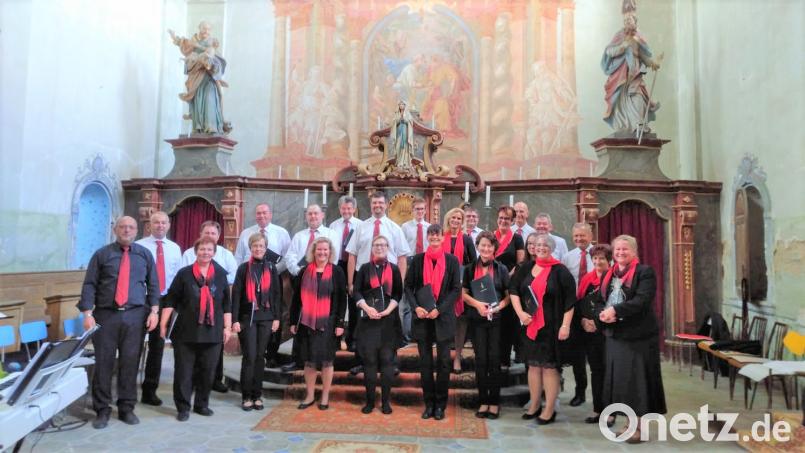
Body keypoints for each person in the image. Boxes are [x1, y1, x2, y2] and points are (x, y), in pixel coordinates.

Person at [79, 216, 160, 429]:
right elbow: (89, 285)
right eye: (122, 227)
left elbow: (153, 285)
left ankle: (126, 407)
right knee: (104, 363)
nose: (126, 230)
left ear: (137, 231)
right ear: (115, 230)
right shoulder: (102, 254)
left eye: (131, 227)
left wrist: (154, 311)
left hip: (135, 316)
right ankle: (102, 409)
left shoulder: (144, 255)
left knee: (130, 363)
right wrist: (87, 314)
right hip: (106, 316)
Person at [598, 235, 666, 443]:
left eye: (624, 249)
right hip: (616, 337)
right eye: (617, 249)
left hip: (639, 337)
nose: (620, 253)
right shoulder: (609, 274)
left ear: (634, 251)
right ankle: (629, 424)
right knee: (623, 383)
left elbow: (642, 301)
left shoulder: (645, 272)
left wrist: (615, 311)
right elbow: (604, 300)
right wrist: (602, 314)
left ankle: (640, 429)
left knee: (639, 384)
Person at [160, 237, 232, 421]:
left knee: (207, 371)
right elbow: (171, 300)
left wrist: (228, 327)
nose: (205, 252)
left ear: (214, 253)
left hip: (213, 331)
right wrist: (163, 324)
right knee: (184, 371)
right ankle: (183, 407)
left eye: (209, 249)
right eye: (202, 249)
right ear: (196, 251)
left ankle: (202, 404)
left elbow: (226, 304)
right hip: (186, 331)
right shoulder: (184, 274)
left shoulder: (221, 274)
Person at [509, 234, 575, 425]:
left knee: (549, 368)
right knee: (533, 367)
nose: (541, 247)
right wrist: (520, 313)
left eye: (545, 245)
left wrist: (565, 325)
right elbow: (513, 290)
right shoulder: (527, 267)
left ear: (552, 247)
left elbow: (570, 301)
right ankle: (534, 405)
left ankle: (548, 410)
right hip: (530, 327)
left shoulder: (560, 271)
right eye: (537, 245)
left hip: (552, 328)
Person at [346, 191, 410, 365]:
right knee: (362, 322)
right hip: (364, 278)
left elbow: (402, 257)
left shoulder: (395, 228)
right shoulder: (360, 227)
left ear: (387, 204)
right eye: (374, 203)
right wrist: (351, 282)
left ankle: (389, 363)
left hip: (387, 280)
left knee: (389, 322)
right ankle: (361, 362)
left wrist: (400, 284)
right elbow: (352, 255)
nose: (377, 206)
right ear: (370, 204)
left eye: (380, 203)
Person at [404, 224, 461, 421]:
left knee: (444, 363)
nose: (434, 237)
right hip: (422, 318)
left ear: (442, 238)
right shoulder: (418, 260)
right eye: (431, 234)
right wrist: (415, 308)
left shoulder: (452, 261)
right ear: (428, 237)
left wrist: (440, 309)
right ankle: (428, 404)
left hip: (442, 318)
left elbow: (456, 289)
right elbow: (408, 287)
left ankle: (440, 405)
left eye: (437, 234)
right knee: (425, 364)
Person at [290, 237, 347, 410]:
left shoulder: (337, 272)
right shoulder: (304, 271)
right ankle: (309, 395)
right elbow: (296, 299)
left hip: (328, 323)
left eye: (325, 250)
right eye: (319, 250)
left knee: (327, 361)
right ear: (313, 252)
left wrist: (339, 324)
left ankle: (325, 396)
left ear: (330, 252)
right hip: (307, 323)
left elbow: (341, 300)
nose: (322, 253)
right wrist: (293, 321)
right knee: (309, 361)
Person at [181, 220, 237, 392]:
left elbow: (232, 278)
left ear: (218, 236)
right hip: (194, 307)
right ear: (201, 234)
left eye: (213, 233)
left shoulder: (226, 255)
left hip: (216, 306)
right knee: (195, 345)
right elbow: (183, 276)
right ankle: (194, 379)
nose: (210, 236)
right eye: (207, 233)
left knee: (215, 345)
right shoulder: (190, 253)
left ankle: (215, 379)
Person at [136, 211, 183, 407]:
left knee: (158, 346)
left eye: (164, 222)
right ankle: (128, 389)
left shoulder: (174, 248)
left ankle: (149, 390)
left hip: (166, 301)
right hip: (143, 300)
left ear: (169, 225)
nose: (160, 226)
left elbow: (177, 276)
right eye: (156, 222)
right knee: (135, 345)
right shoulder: (138, 246)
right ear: (149, 225)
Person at [231, 233, 282, 411]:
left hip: (267, 318)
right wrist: (235, 319)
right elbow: (236, 295)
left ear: (265, 248)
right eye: (255, 246)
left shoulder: (271, 267)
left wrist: (277, 318)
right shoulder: (244, 268)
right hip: (248, 318)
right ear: (250, 248)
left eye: (261, 246)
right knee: (250, 356)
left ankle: (257, 395)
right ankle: (246, 396)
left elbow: (276, 294)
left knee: (260, 357)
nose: (258, 249)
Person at [353, 235, 403, 414]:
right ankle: (369, 402)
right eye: (376, 245)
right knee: (370, 363)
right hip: (368, 322)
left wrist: (389, 310)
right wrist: (366, 308)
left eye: (383, 245)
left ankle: (386, 402)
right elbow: (356, 292)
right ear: (372, 248)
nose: (379, 247)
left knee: (387, 362)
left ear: (388, 247)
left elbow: (398, 293)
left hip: (388, 322)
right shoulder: (364, 269)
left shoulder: (395, 269)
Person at [462, 231, 510, 419]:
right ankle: (483, 401)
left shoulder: (501, 269)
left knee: (494, 360)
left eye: (489, 246)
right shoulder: (469, 268)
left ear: (494, 248)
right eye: (483, 245)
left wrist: (498, 307)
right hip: (477, 320)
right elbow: (463, 294)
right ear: (477, 246)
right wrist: (477, 305)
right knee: (481, 360)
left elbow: (508, 296)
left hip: (497, 321)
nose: (486, 249)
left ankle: (494, 402)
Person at [601, 12, 661, 133]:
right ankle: (623, 124)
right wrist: (623, 45)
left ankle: (638, 124)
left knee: (638, 96)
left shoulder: (638, 38)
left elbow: (642, 55)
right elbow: (609, 52)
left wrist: (652, 63)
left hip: (635, 74)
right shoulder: (620, 36)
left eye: (629, 20)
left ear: (635, 22)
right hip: (621, 75)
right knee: (620, 100)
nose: (627, 22)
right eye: (625, 21)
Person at [169, 22, 231, 135]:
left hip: (209, 78)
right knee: (198, 100)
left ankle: (211, 126)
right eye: (204, 29)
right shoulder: (193, 41)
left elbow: (217, 60)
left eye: (208, 29)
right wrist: (174, 37)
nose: (206, 31)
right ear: (199, 28)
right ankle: (198, 127)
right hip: (196, 77)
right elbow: (183, 43)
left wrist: (211, 65)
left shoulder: (212, 43)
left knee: (210, 99)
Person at [577, 244, 613, 426]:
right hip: (589, 332)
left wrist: (597, 323)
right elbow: (580, 302)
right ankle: (597, 408)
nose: (598, 262)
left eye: (602, 259)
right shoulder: (587, 279)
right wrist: (584, 320)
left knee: (609, 372)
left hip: (608, 333)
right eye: (595, 259)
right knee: (596, 371)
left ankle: (611, 412)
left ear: (609, 261)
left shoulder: (614, 280)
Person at [561, 223, 595, 408]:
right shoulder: (568, 257)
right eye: (576, 236)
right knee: (577, 355)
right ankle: (580, 392)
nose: (579, 239)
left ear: (590, 235)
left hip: (594, 310)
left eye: (582, 235)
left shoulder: (599, 255)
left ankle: (601, 396)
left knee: (596, 356)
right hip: (575, 310)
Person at [442, 207, 476, 374]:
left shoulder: (467, 239)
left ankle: (457, 358)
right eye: (453, 217)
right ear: (448, 219)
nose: (455, 221)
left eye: (458, 219)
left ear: (462, 222)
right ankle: (445, 356)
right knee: (445, 321)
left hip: (461, 285)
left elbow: (473, 263)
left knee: (460, 322)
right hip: (443, 285)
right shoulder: (441, 237)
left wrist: (463, 277)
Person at [493, 206, 525, 370]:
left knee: (508, 322)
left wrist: (507, 276)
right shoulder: (492, 236)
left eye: (507, 218)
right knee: (494, 322)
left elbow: (520, 262)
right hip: (494, 284)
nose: (503, 221)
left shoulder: (517, 238)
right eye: (501, 217)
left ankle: (506, 358)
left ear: (512, 221)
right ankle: (496, 356)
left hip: (511, 283)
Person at [328, 196, 360, 351]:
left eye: (349, 208)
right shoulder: (333, 226)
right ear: (339, 209)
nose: (346, 211)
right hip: (338, 264)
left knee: (354, 303)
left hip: (355, 265)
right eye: (343, 208)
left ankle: (353, 338)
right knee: (338, 300)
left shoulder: (360, 225)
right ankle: (335, 338)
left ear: (354, 209)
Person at [284, 204, 342, 277]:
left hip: (324, 277)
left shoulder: (332, 234)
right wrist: (299, 271)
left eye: (316, 213)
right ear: (306, 216)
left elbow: (334, 257)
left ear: (322, 215)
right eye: (310, 214)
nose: (313, 216)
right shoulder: (298, 236)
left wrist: (319, 273)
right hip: (299, 276)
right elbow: (290, 256)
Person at [235, 203, 291, 268]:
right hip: (247, 273)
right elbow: (238, 258)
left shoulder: (282, 233)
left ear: (270, 215)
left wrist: (273, 270)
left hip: (272, 274)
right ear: (255, 216)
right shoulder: (245, 233)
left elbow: (287, 258)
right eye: (258, 213)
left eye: (264, 213)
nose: (261, 216)